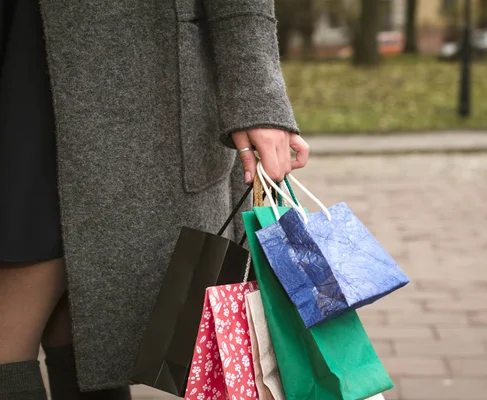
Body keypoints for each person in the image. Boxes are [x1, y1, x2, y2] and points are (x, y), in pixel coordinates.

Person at [0, 0, 309, 398]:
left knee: (67, 325)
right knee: (77, 326)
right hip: (20, 47)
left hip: (124, 75)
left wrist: (259, 100)